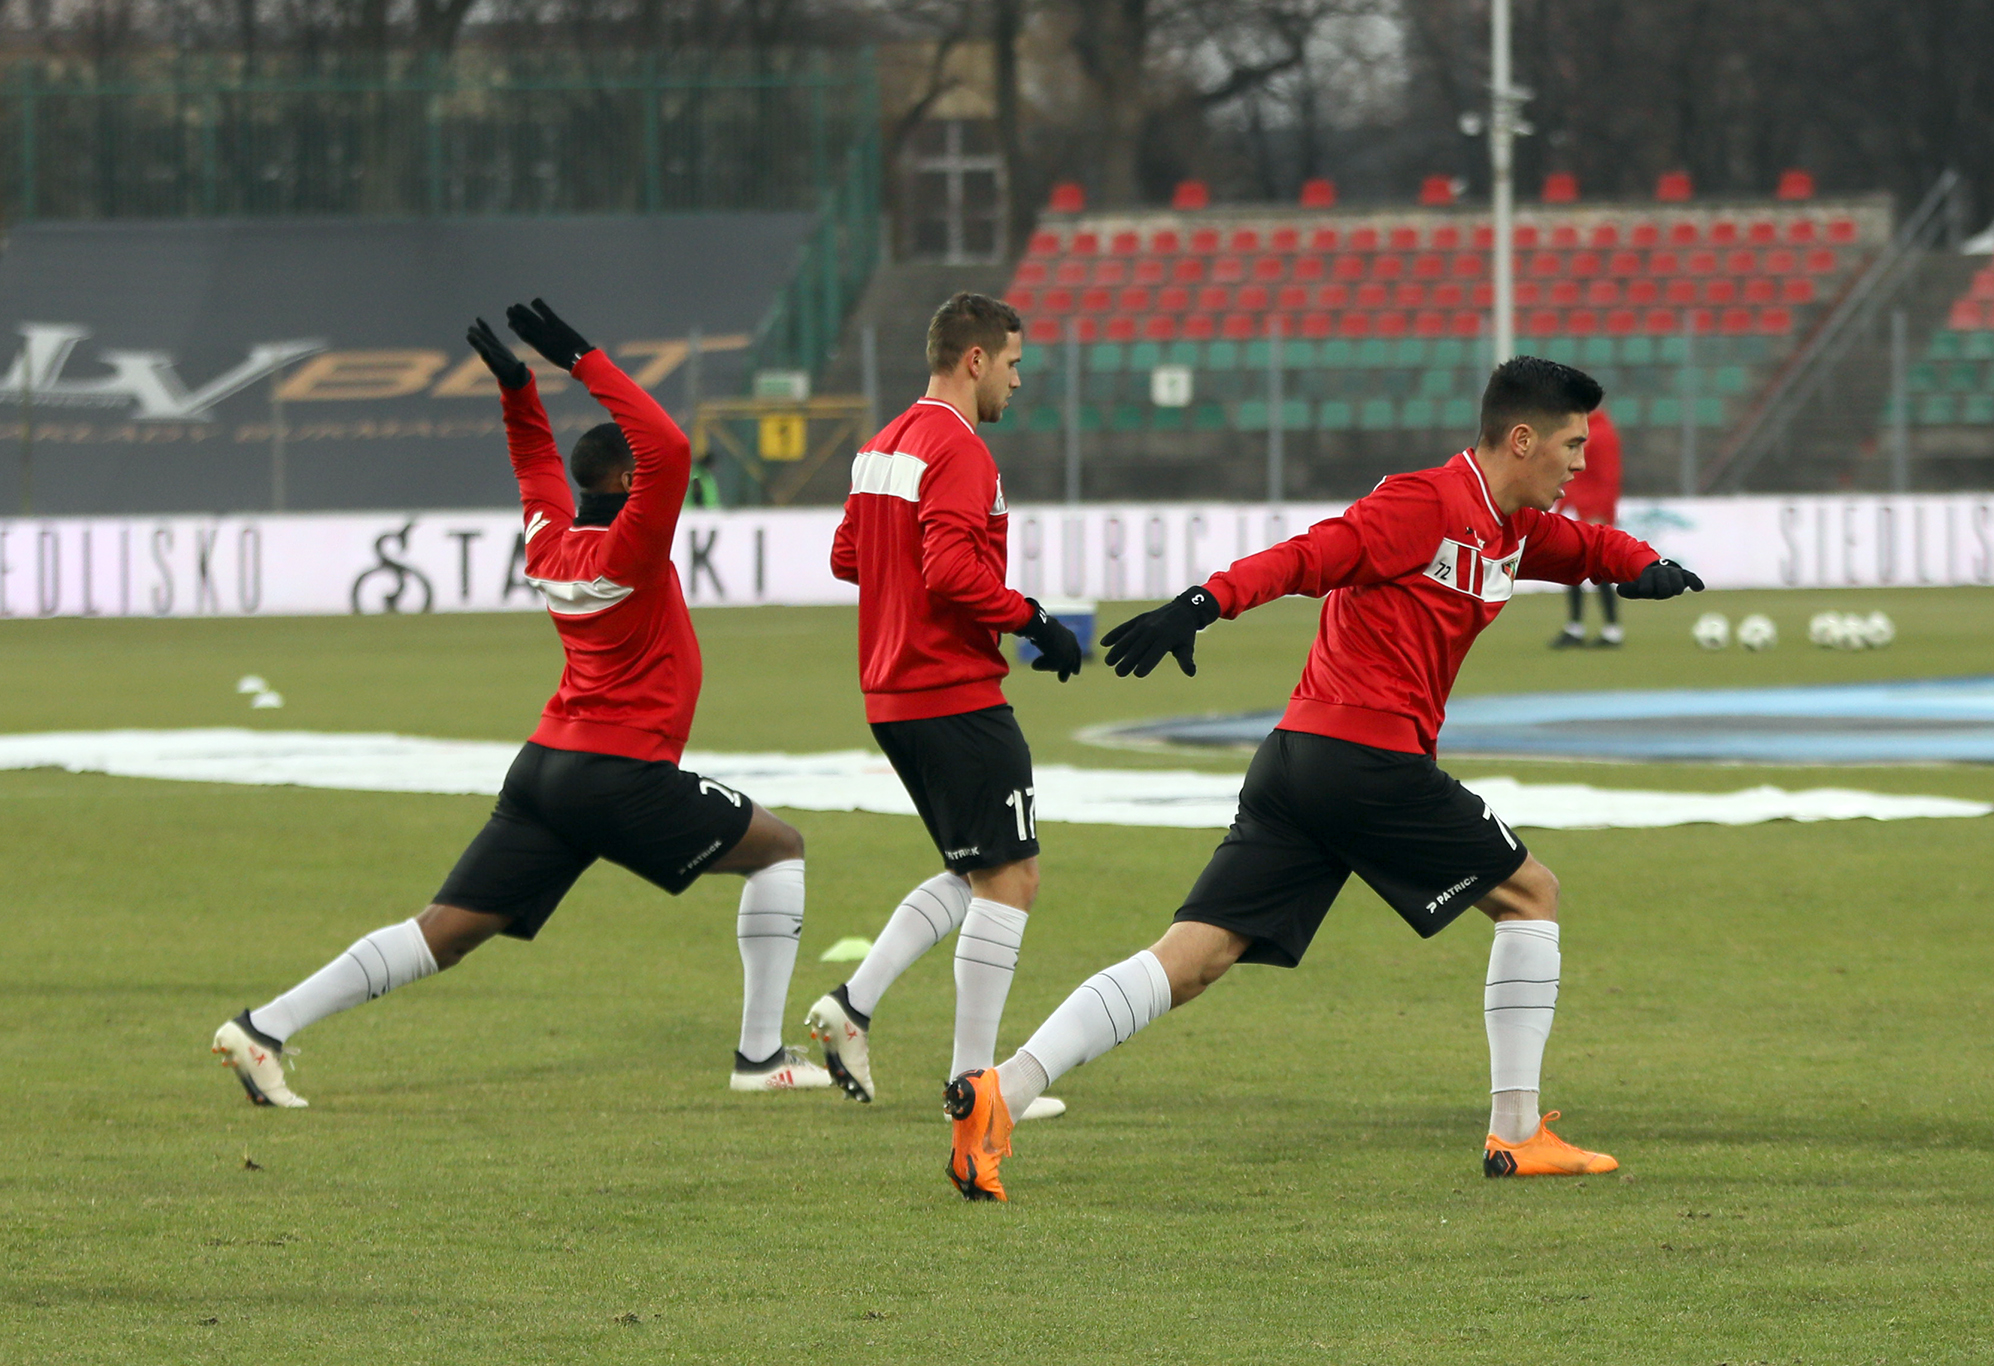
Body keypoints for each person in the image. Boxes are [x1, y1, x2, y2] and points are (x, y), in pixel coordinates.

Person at [944, 357, 1705, 1201]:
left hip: (1300, 763)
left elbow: (1590, 548)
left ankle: (1002, 1093)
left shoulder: (1513, 527)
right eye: (1572, 445)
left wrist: (1643, 565)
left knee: (1194, 956)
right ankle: (1518, 1133)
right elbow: (1311, 555)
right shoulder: (1425, 503)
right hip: (1367, 763)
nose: (1582, 464)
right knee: (1531, 895)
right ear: (1521, 440)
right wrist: (1203, 603)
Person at [211, 298, 830, 1106]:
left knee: (444, 931)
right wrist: (578, 357)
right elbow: (670, 447)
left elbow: (534, 462)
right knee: (779, 849)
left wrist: (517, 393)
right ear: (628, 482)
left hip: (546, 770)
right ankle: (759, 1057)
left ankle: (264, 1028)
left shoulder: (548, 542)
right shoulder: (632, 549)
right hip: (622, 773)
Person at [802, 293, 1082, 1121]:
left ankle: (853, 1006)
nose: (1017, 381)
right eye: (1013, 363)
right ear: (975, 359)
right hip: (951, 690)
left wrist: (904, 590)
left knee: (975, 870)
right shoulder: (959, 449)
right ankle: (974, 1087)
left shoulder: (881, 445)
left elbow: (847, 556)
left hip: (892, 694)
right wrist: (1035, 621)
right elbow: (952, 570)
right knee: (1012, 879)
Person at [1550, 406, 1624, 648]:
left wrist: (1602, 514)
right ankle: (1577, 627)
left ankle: (1611, 630)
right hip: (1578, 509)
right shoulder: (1584, 431)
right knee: (1572, 566)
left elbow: (1608, 477)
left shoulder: (1601, 434)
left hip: (1591, 512)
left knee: (1597, 568)